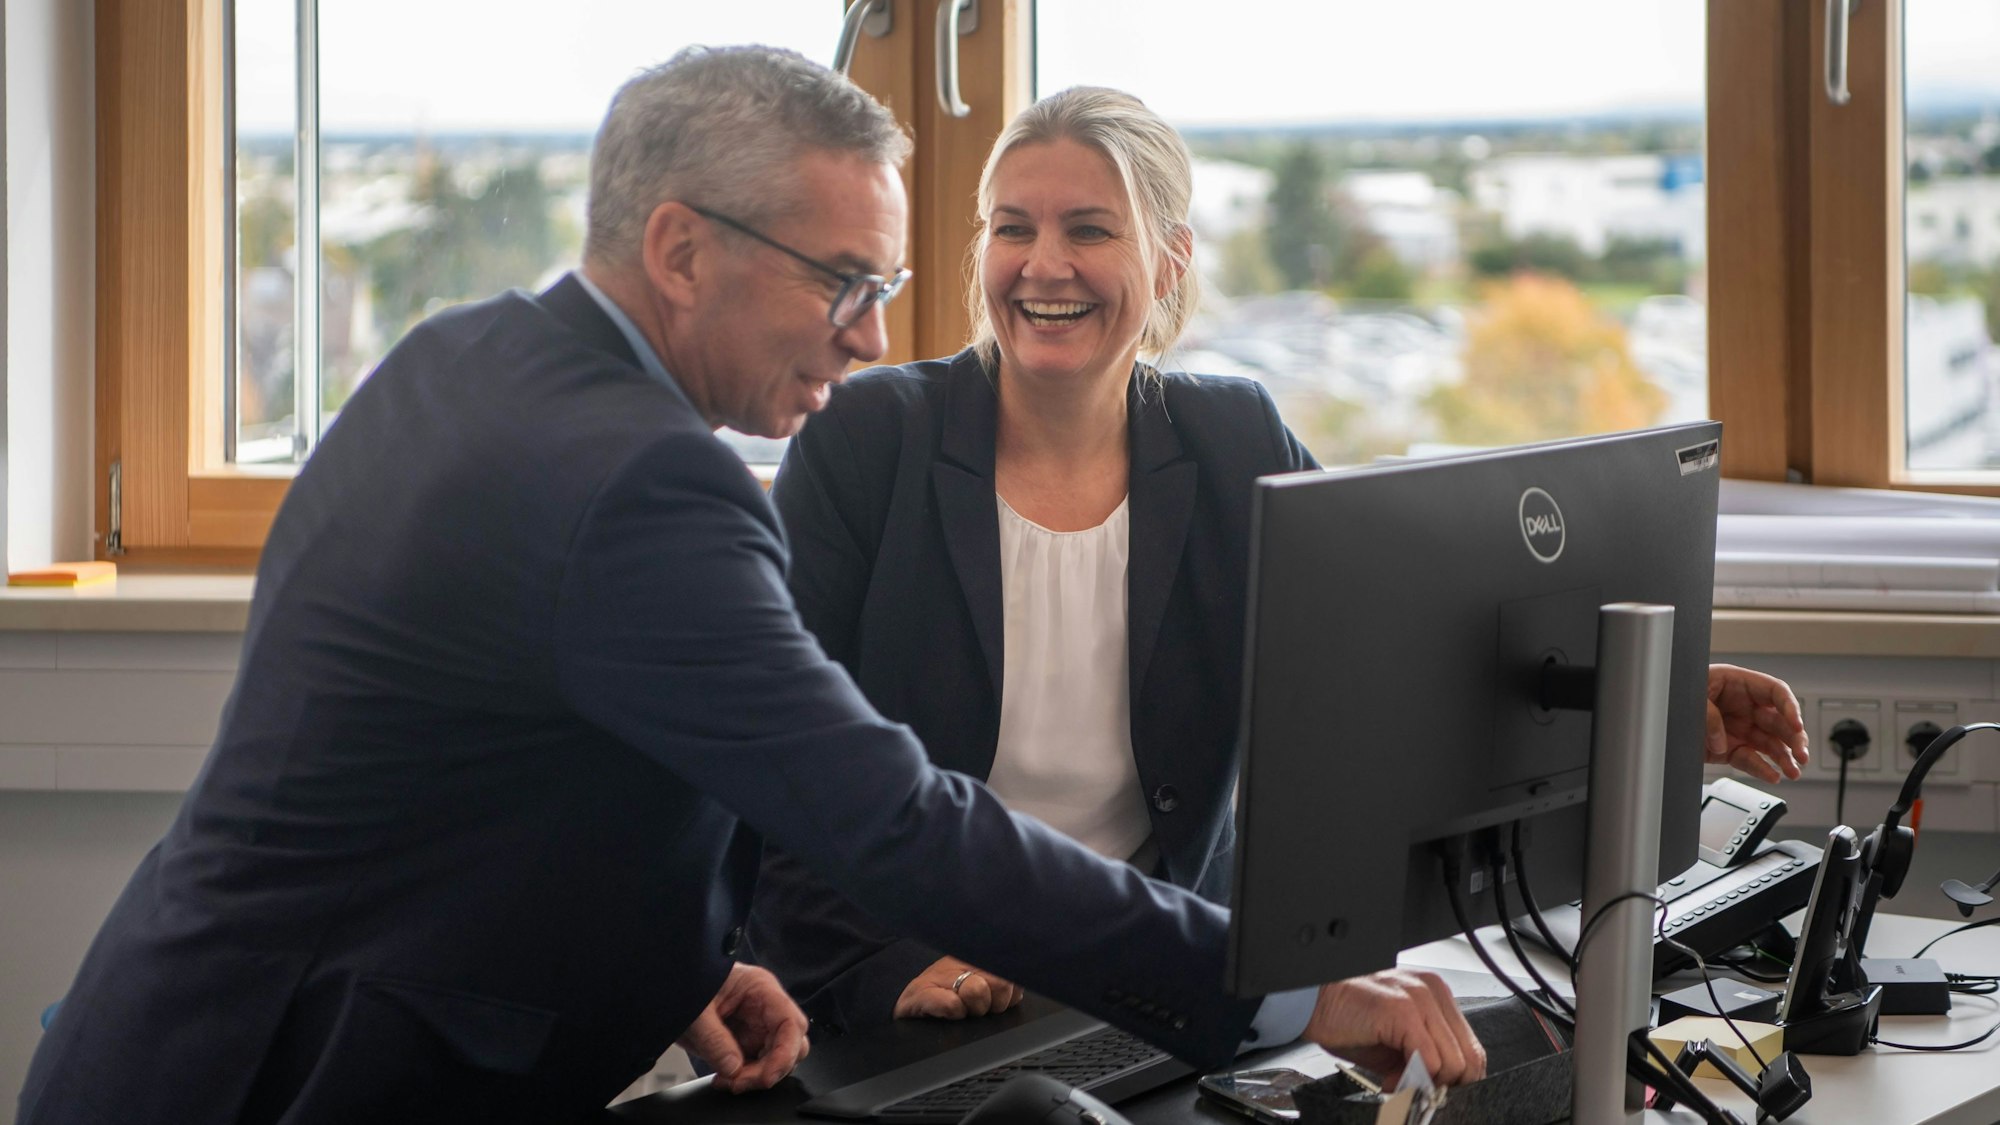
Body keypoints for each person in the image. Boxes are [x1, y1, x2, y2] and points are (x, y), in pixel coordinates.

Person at [17, 50, 1493, 1125]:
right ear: (677, 251)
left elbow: (448, 773)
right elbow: (893, 822)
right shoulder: (647, 483)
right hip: (282, 1078)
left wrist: (664, 958)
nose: (866, 337)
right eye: (842, 282)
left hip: (194, 1034)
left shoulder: (465, 354)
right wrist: (1295, 995)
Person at [748, 87, 1812, 1034]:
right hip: (920, 989)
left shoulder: (1233, 437)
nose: (1043, 265)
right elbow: (772, 758)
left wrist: (1639, 700)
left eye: (1089, 229)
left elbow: (1407, 646)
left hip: (1160, 974)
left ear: (1169, 259)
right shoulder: (867, 439)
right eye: (1011, 228)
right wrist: (880, 969)